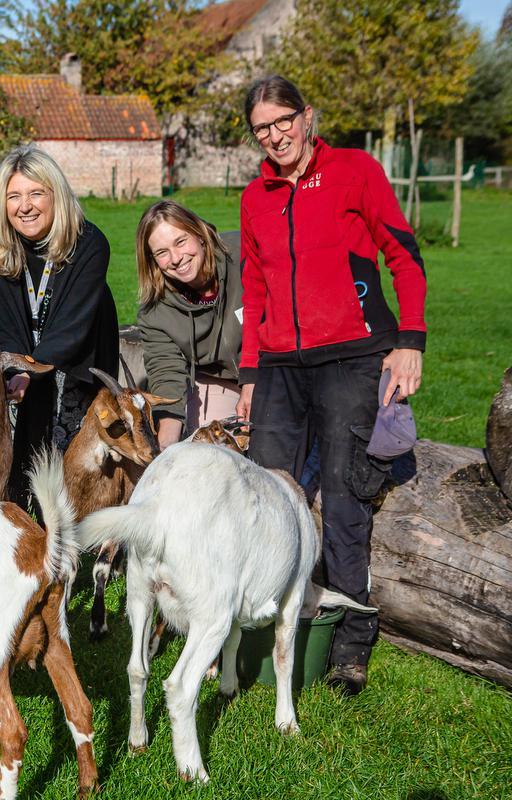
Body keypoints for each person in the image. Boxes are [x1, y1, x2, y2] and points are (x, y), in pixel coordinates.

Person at [237, 75, 427, 696]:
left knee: (345, 496)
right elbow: (256, 289)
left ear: (306, 115)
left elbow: (402, 253)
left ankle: (351, 640)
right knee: (267, 494)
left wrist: (410, 338)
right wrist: (248, 375)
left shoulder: (354, 170)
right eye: (262, 127)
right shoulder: (254, 197)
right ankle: (266, 623)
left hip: (353, 357)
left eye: (283, 120)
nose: (276, 135)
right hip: (281, 368)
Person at [0, 144, 119, 507]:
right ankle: (23, 519)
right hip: (17, 365)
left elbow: (74, 324)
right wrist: (20, 371)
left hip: (74, 359)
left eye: (37, 193)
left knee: (74, 469)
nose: (25, 206)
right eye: (14, 196)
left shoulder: (89, 244)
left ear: (57, 196)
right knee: (19, 466)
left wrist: (34, 372)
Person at [135, 200, 243, 449]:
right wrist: (166, 447)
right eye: (161, 253)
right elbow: (166, 373)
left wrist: (254, 383)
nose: (176, 258)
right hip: (218, 380)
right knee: (204, 451)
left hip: (271, 372)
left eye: (181, 241)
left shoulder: (242, 254)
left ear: (200, 233)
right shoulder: (156, 310)